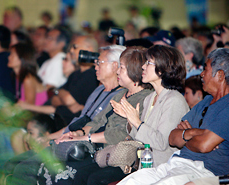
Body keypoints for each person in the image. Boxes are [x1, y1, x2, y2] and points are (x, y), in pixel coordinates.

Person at [9, 45, 126, 185]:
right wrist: (51, 137)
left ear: (114, 66)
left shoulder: (121, 95)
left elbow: (98, 129)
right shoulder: (99, 90)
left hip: (86, 147)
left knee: (24, 169)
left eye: (99, 62)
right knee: (13, 164)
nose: (95, 66)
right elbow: (79, 121)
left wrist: (56, 140)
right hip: (74, 138)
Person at [76, 45, 189, 185]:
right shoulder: (151, 98)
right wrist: (130, 120)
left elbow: (161, 142)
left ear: (162, 69)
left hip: (161, 168)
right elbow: (138, 137)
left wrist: (136, 122)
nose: (143, 67)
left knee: (96, 179)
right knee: (82, 174)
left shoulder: (174, 100)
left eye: (148, 63)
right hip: (143, 165)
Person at [117, 48, 229, 185]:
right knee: (130, 182)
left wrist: (186, 135)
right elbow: (173, 138)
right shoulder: (205, 102)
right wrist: (194, 132)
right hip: (177, 163)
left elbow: (204, 145)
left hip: (202, 170)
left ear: (220, 75)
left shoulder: (225, 105)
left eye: (205, 69)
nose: (201, 74)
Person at [18, 35, 99, 125]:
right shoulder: (76, 74)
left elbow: (69, 101)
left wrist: (61, 95)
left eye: (75, 47)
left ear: (89, 49)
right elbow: (55, 100)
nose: (72, 51)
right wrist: (60, 93)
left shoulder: (91, 75)